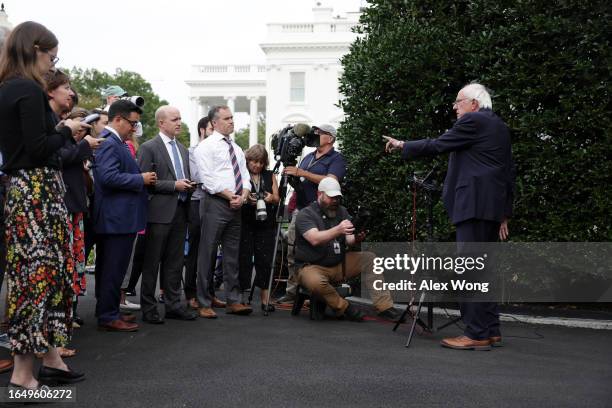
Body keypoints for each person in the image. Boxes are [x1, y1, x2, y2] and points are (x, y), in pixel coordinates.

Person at [384, 83, 514, 350]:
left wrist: (403, 145)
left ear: (474, 103)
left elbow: (439, 144)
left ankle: (476, 334)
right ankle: (491, 330)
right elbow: (508, 170)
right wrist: (504, 213)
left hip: (474, 205)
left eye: (458, 101)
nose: (454, 107)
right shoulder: (498, 125)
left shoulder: (474, 121)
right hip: (490, 207)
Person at [0, 21, 87, 389]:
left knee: (42, 277)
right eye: (51, 55)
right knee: (37, 279)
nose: (52, 63)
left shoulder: (7, 88)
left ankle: (50, 360)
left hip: (25, 192)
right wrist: (66, 131)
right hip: (37, 193)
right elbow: (38, 148)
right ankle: (23, 375)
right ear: (34, 49)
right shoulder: (28, 90)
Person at [294, 177, 402, 321]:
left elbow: (349, 240)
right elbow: (314, 239)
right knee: (315, 281)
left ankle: (385, 307)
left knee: (370, 259)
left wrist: (357, 237)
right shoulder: (306, 214)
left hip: (338, 264)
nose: (335, 201)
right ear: (320, 195)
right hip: (311, 266)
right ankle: (344, 307)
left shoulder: (341, 211)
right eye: (331, 197)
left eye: (338, 197)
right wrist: (338, 229)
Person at [93, 99, 156, 332]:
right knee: (112, 269)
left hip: (118, 218)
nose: (134, 129)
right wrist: (140, 179)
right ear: (118, 119)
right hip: (115, 219)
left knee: (112, 268)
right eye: (132, 123)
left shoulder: (114, 143)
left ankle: (108, 310)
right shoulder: (110, 143)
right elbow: (107, 178)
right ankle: (108, 315)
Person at [137, 105, 197, 323]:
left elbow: (182, 178)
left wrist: (187, 185)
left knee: (174, 262)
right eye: (174, 119)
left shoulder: (182, 149)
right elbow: (145, 182)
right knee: (151, 263)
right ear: (161, 123)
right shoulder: (148, 148)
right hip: (158, 213)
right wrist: (174, 185)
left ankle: (173, 305)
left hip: (181, 211)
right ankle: (149, 308)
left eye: (180, 118)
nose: (179, 122)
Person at [277, 124, 347, 303]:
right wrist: (293, 177)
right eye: (315, 132)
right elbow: (301, 181)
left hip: (324, 213)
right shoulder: (308, 156)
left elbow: (331, 181)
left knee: (321, 251)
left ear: (330, 138)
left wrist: (302, 172)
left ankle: (316, 293)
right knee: (293, 250)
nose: (315, 135)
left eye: (320, 133)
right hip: (302, 210)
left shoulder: (336, 159)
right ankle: (293, 292)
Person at [193, 105, 252, 318]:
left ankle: (233, 301)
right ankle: (203, 302)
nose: (231, 121)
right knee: (207, 255)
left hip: (236, 205)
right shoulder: (205, 147)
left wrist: (243, 195)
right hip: (215, 204)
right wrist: (231, 196)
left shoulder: (236, 148)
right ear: (215, 123)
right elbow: (208, 179)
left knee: (232, 255)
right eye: (227, 118)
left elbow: (245, 176)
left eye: (232, 118)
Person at [184, 116, 226, 309]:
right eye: (211, 129)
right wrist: (220, 177)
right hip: (196, 203)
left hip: (215, 203)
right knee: (195, 251)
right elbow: (198, 176)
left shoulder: (222, 150)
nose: (215, 133)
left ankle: (209, 293)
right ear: (202, 130)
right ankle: (191, 294)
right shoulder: (193, 151)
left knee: (211, 250)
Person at [238, 144, 280, 311]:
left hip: (265, 223)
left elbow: (277, 198)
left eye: (261, 162)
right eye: (254, 161)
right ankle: (240, 298)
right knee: (243, 259)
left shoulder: (270, 176)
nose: (257, 165)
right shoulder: (242, 174)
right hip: (245, 221)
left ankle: (265, 300)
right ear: (248, 160)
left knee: (265, 260)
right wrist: (248, 199)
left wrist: (269, 198)